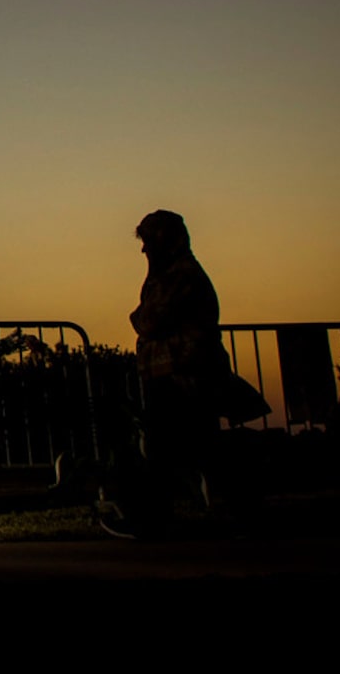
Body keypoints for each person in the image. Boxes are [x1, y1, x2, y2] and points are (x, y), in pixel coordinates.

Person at [129, 210, 266, 514]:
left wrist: (138, 316)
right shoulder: (171, 275)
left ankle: (159, 517)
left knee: (178, 447)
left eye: (149, 240)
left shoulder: (179, 276)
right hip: (173, 373)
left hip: (184, 374)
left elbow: (148, 320)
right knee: (183, 447)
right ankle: (179, 513)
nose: (144, 249)